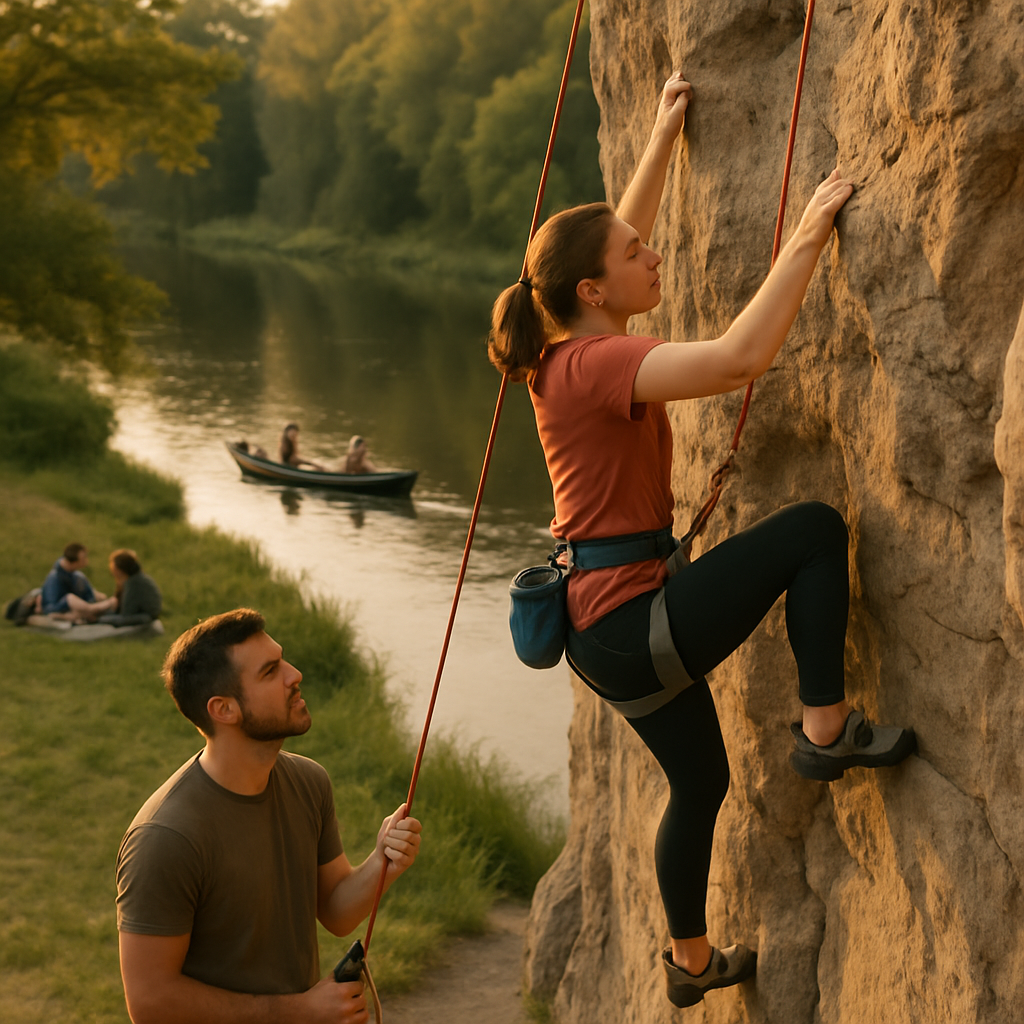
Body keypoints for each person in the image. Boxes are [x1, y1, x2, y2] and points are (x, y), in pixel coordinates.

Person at [488, 73, 915, 1009]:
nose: (654, 256)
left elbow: (611, 240)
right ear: (593, 291)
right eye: (635, 255)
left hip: (603, 632)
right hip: (627, 621)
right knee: (814, 531)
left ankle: (689, 964)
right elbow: (736, 360)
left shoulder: (564, 349)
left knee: (700, 781)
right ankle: (826, 729)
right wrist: (808, 233)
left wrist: (662, 135)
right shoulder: (599, 363)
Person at [116, 608, 422, 1024]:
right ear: (224, 709)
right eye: (270, 671)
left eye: (283, 660)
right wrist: (301, 1010)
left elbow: (336, 910)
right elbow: (151, 1002)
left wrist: (383, 862)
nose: (294, 675)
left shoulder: (309, 782)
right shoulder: (165, 837)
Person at [37, 542, 117, 622]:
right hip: (55, 608)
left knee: (100, 596)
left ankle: (94, 610)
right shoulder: (55, 577)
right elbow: (51, 604)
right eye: (83, 559)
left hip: (72, 607)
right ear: (73, 562)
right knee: (70, 598)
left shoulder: (75, 574)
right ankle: (92, 609)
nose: (86, 562)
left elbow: (86, 592)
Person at [98, 549, 163, 627]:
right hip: (141, 614)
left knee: (103, 619)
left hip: (144, 616)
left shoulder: (134, 583)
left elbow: (127, 613)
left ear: (120, 570)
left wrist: (100, 619)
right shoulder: (136, 578)